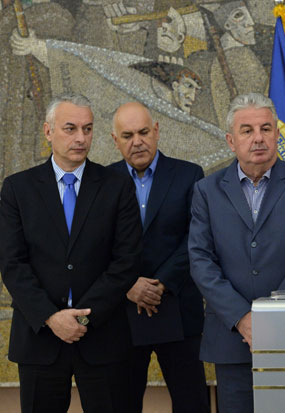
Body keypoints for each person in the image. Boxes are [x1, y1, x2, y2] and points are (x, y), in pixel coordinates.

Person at [0, 93, 142, 412]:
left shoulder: (117, 186)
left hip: (103, 338)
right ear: (48, 131)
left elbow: (127, 261)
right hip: (40, 340)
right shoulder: (18, 189)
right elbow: (12, 263)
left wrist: (82, 318)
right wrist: (51, 317)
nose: (80, 138)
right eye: (70, 128)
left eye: (87, 129)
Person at [188, 93, 285, 413]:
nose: (258, 138)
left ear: (277, 134)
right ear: (231, 141)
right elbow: (201, 260)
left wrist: (273, 315)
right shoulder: (207, 191)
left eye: (265, 128)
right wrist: (242, 318)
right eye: (247, 130)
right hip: (232, 339)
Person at [108, 102, 209, 413]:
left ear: (156, 131)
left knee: (192, 404)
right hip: (122, 312)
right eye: (128, 135)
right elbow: (95, 245)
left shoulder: (189, 175)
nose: (137, 142)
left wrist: (160, 283)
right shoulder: (102, 181)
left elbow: (196, 237)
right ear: (115, 140)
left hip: (178, 307)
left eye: (143, 132)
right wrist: (129, 284)